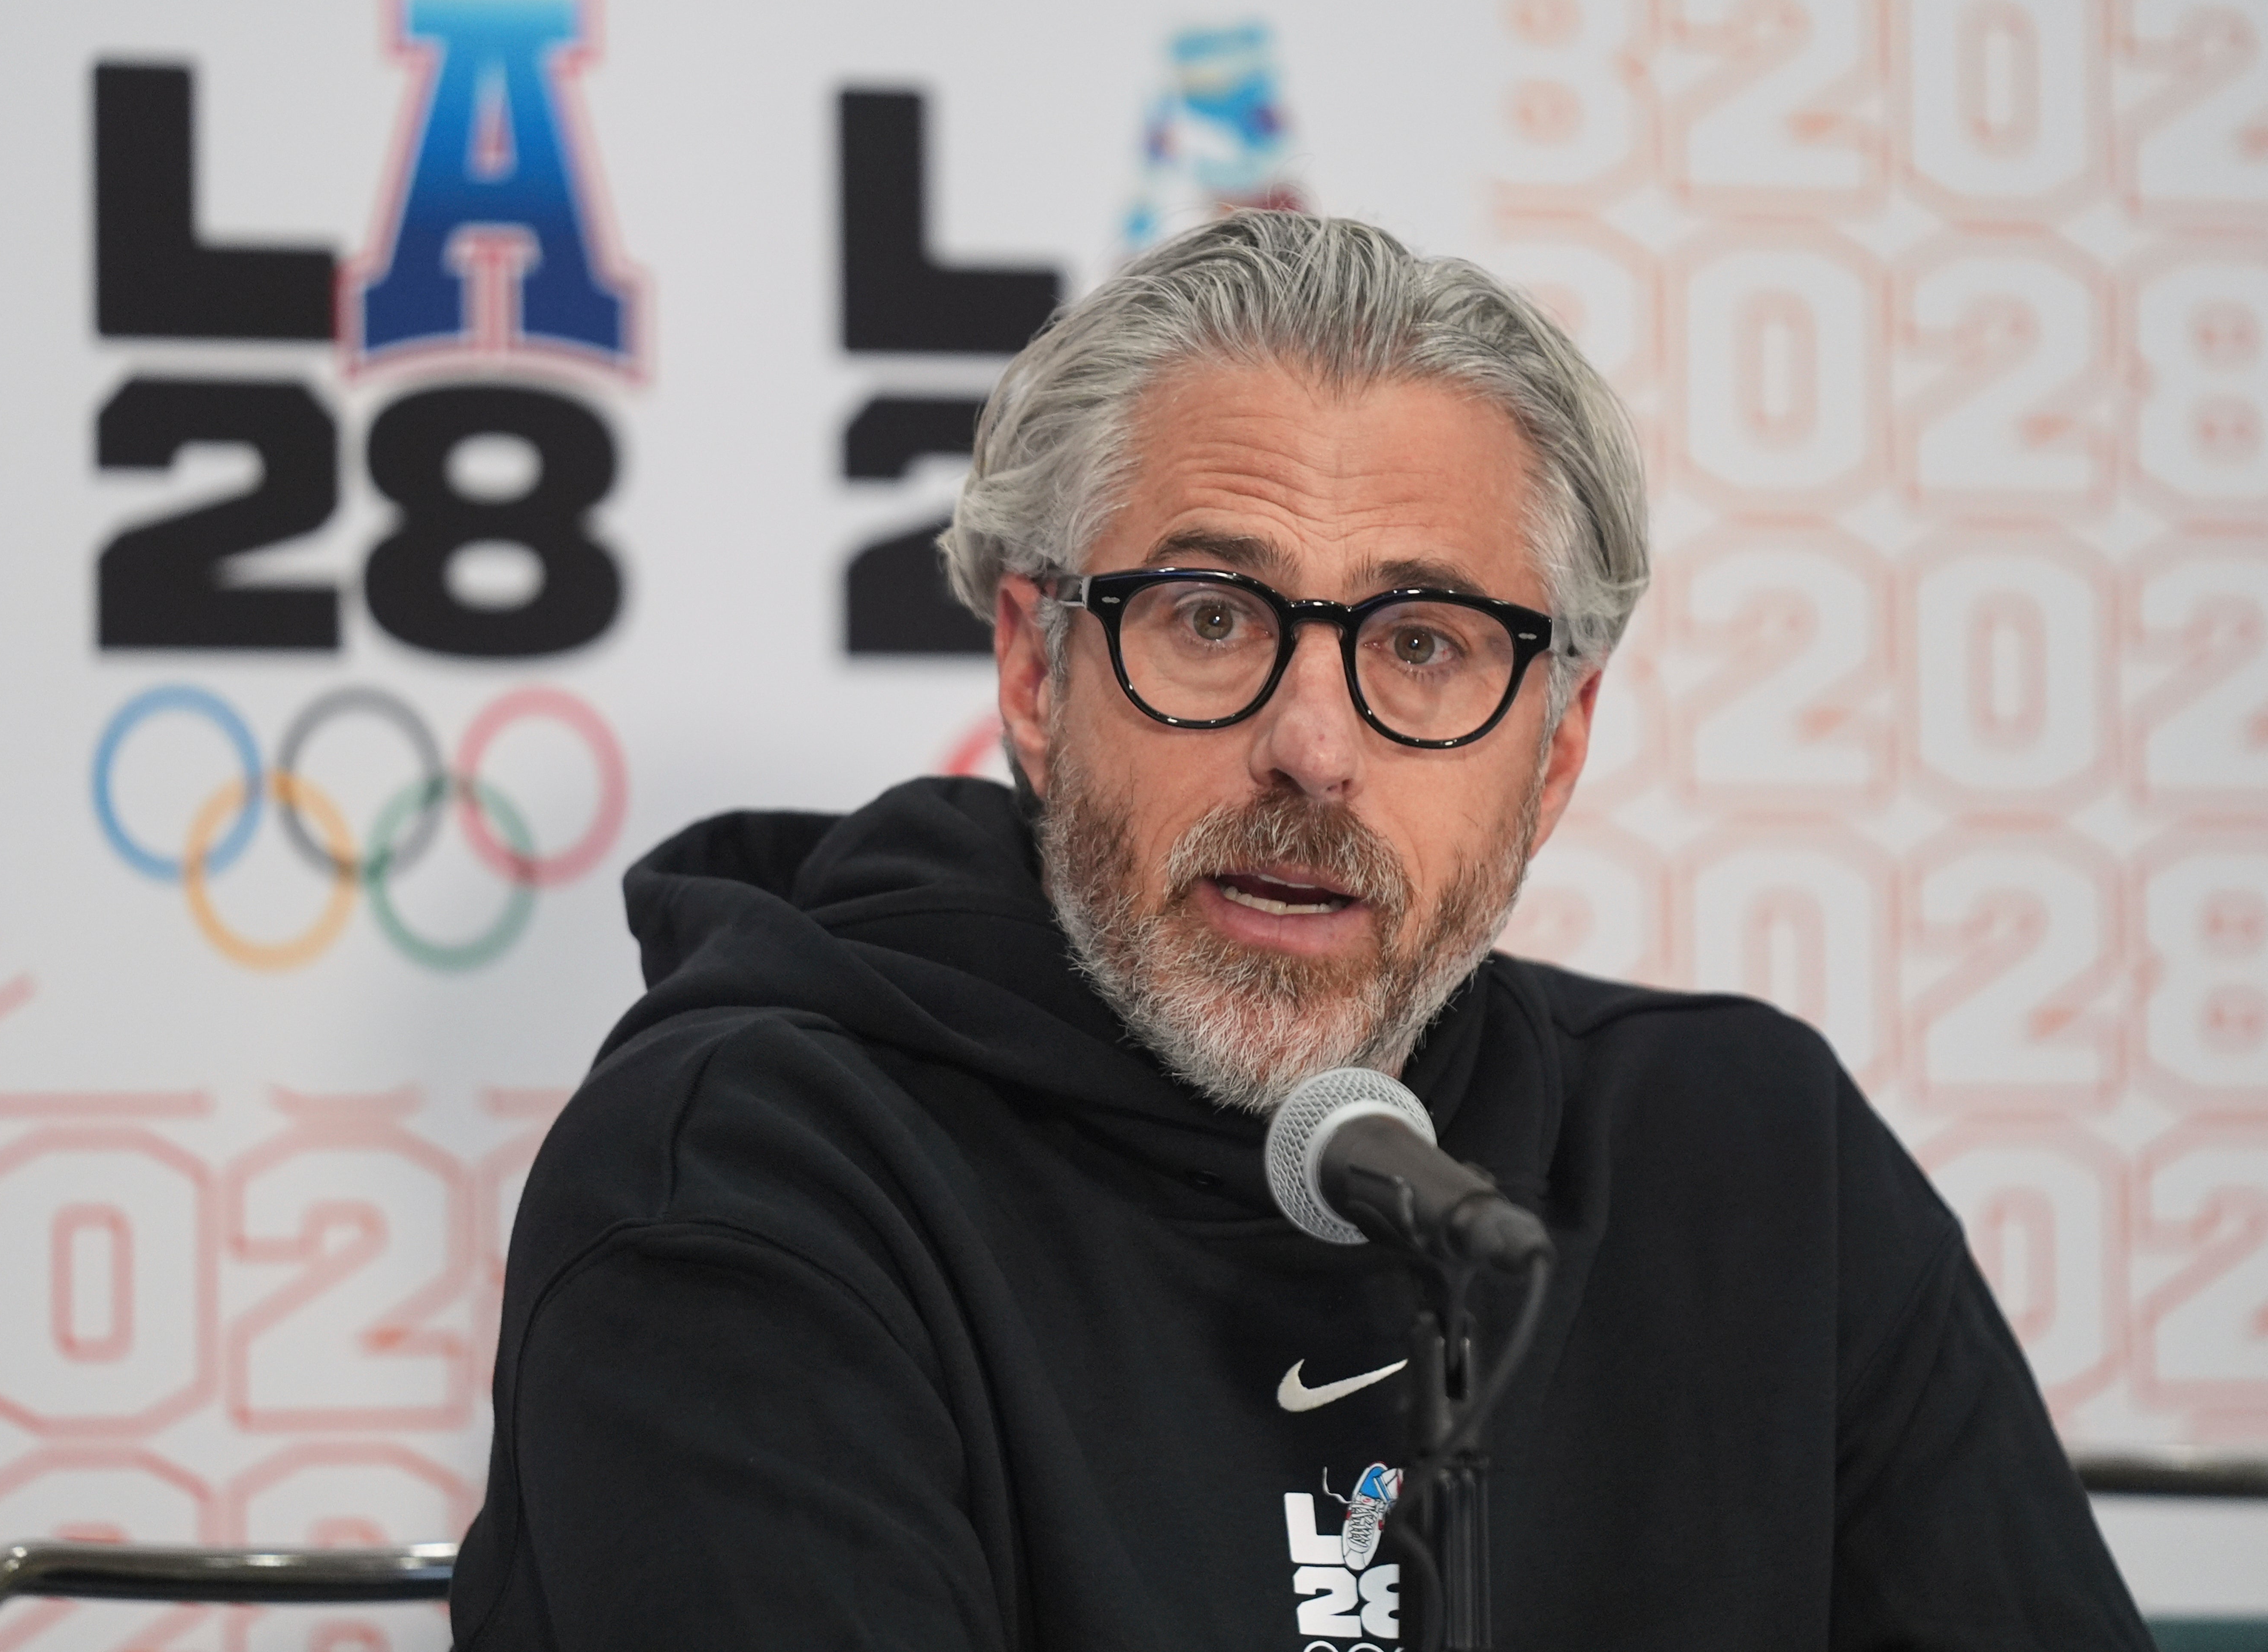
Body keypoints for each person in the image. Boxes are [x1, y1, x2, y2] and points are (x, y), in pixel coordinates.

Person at [449, 212, 2150, 1650]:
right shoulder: (755, 1178)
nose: (1314, 749)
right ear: (1039, 673)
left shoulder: (1751, 1158)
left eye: (1423, 645)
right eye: (1211, 618)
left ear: (1555, 746)